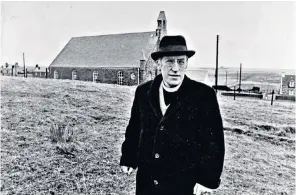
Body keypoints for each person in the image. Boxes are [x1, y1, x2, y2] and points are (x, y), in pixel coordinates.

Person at [120, 35, 225, 195]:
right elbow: (135, 128)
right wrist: (129, 157)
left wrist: (207, 179)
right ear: (159, 63)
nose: (175, 68)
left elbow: (214, 142)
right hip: (148, 182)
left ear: (187, 64)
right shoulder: (143, 92)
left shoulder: (204, 96)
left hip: (184, 184)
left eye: (181, 62)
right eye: (169, 61)